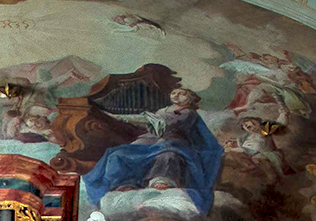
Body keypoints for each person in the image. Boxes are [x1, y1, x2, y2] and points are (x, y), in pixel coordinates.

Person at [83, 87, 223, 212]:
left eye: (182, 94)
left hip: (173, 141)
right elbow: (151, 123)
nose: (176, 95)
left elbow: (170, 125)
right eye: (174, 92)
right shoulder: (162, 111)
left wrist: (141, 119)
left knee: (168, 155)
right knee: (118, 154)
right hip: (150, 140)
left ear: (190, 99)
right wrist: (119, 118)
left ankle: (160, 181)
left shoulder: (189, 113)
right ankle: (125, 184)